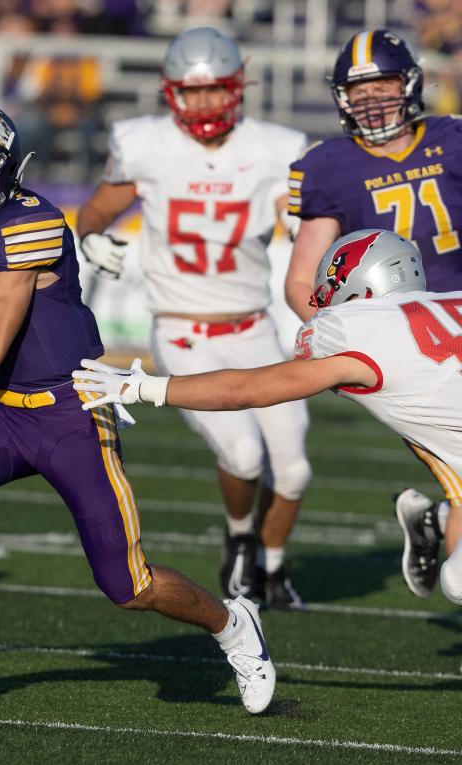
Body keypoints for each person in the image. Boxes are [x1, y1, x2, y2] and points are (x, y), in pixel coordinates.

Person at [0, 101, 276, 714]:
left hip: (73, 412)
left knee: (128, 586)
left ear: (2, 170)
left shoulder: (28, 222)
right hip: (5, 411)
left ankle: (233, 626)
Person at [74, 229, 462, 608]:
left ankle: (441, 518)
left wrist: (145, 388)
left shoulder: (359, 330)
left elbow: (246, 391)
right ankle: (442, 518)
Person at [76, 26, 311, 608]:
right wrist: (90, 235)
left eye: (215, 91)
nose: (204, 104)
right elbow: (99, 206)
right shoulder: (145, 143)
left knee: (295, 468)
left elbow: (295, 213)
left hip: (254, 326)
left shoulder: (274, 147)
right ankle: (238, 541)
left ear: (238, 87)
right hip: (183, 329)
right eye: (191, 91)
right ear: (170, 91)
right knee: (244, 454)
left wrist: (303, 228)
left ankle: (272, 567)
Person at [283, 28, 462, 593]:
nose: (372, 101)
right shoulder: (329, 165)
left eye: (382, 85)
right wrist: (336, 335)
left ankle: (432, 521)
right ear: (341, 99)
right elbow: (303, 279)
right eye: (358, 91)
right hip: (411, 346)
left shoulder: (452, 139)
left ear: (408, 84)